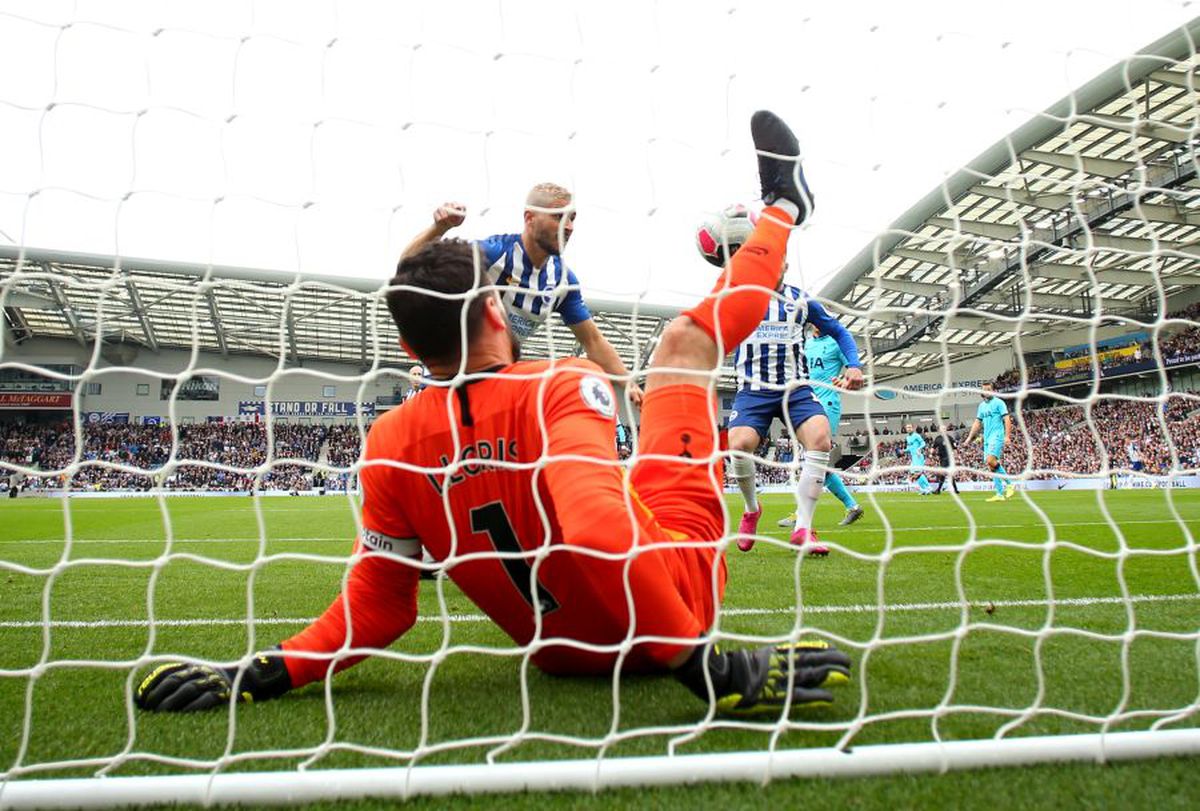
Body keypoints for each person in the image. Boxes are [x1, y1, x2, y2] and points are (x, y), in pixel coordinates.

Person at [134, 110, 851, 717]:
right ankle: (784, 209)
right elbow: (601, 528)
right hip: (673, 605)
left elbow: (381, 608)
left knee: (602, 484)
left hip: (563, 655)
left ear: (412, 346)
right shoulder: (559, 386)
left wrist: (259, 671)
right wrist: (709, 669)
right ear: (491, 309)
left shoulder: (387, 442)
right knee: (685, 344)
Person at [399, 184, 643, 407]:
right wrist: (440, 228)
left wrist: (628, 382)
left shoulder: (563, 282)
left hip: (499, 379)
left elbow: (593, 341)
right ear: (530, 218)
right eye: (559, 217)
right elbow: (410, 266)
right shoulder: (496, 252)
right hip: (450, 375)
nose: (568, 226)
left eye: (572, 218)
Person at [775, 323, 866, 530]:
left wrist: (844, 380)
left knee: (813, 459)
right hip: (807, 404)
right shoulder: (806, 343)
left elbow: (853, 368)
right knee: (816, 464)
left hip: (827, 404)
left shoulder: (835, 342)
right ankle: (852, 506)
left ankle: (801, 514)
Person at [964, 381, 1015, 502]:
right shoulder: (981, 406)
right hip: (986, 437)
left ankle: (1009, 483)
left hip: (997, 436)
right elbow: (977, 423)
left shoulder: (999, 402)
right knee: (991, 466)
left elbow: (1007, 419)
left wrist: (1007, 436)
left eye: (988, 389)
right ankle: (999, 493)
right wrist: (969, 438)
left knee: (990, 460)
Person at [904, 424, 933, 495]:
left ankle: (928, 487)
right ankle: (924, 489)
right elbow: (909, 448)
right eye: (907, 428)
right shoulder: (908, 437)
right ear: (906, 429)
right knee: (913, 473)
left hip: (918, 456)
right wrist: (904, 450)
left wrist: (918, 449)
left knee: (917, 473)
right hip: (913, 457)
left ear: (912, 428)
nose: (909, 429)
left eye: (910, 427)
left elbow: (923, 443)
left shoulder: (916, 435)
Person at [930, 425, 958, 495]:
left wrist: (956, 457)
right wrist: (931, 453)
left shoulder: (950, 438)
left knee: (943, 473)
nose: (943, 430)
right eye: (942, 429)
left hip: (948, 458)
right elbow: (933, 447)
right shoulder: (938, 438)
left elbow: (955, 448)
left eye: (944, 428)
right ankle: (955, 489)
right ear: (939, 430)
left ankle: (938, 490)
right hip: (941, 458)